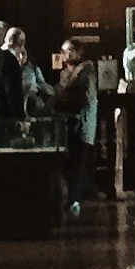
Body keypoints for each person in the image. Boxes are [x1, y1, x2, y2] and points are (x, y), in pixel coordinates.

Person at [52, 38, 99, 214]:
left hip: (80, 124)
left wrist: (60, 96)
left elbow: (81, 99)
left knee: (77, 164)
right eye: (64, 51)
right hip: (67, 124)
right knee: (69, 164)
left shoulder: (85, 72)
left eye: (70, 50)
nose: (66, 54)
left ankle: (75, 199)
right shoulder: (66, 73)